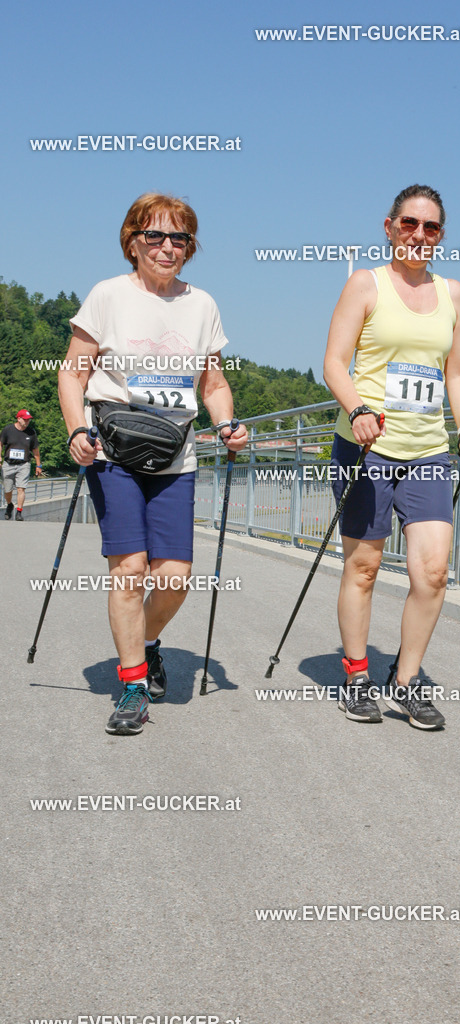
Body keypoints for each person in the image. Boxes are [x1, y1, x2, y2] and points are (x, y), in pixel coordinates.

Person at [58, 193, 248, 736]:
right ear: (133, 241)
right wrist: (76, 428)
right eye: (155, 236)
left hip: (175, 454)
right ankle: (134, 685)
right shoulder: (107, 296)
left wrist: (227, 421)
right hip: (113, 451)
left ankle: (143, 642)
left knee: (175, 577)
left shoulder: (202, 305)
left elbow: (212, 382)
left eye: (179, 238)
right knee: (130, 570)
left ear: (190, 246)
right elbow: (72, 373)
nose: (167, 248)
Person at [323, 184, 460, 730]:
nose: (419, 235)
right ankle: (356, 675)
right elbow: (334, 363)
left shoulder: (454, 294)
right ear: (389, 227)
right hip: (367, 445)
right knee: (364, 567)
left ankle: (405, 680)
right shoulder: (365, 284)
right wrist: (358, 407)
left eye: (431, 227)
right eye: (409, 224)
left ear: (441, 236)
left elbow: (456, 372)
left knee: (433, 572)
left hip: (428, 450)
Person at [1, 410, 42, 520]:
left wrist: (38, 466)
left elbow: (35, 451)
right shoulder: (8, 430)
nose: (27, 421)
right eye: (25, 419)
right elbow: (0, 443)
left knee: (21, 488)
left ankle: (19, 512)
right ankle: (10, 505)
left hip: (24, 464)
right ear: (18, 419)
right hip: (8, 464)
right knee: (7, 490)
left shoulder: (31, 433)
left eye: (28, 419)